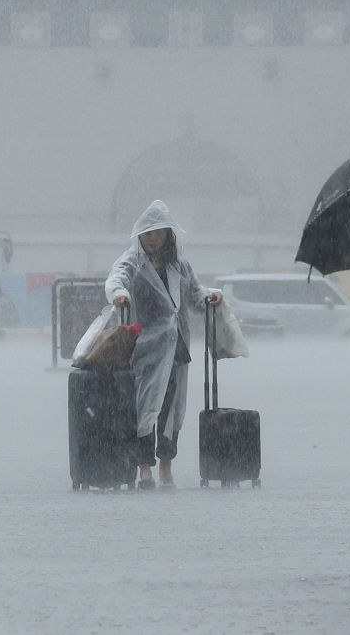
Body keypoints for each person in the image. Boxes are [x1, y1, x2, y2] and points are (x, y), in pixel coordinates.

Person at [105, 200, 222, 490]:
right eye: (148, 233)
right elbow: (116, 279)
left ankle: (166, 465)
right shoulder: (131, 262)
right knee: (145, 408)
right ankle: (144, 468)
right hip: (145, 348)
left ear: (168, 234)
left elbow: (195, 294)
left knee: (171, 410)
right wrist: (119, 294)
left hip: (176, 347)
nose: (153, 238)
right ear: (140, 236)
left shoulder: (179, 265)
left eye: (158, 232)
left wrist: (210, 296)